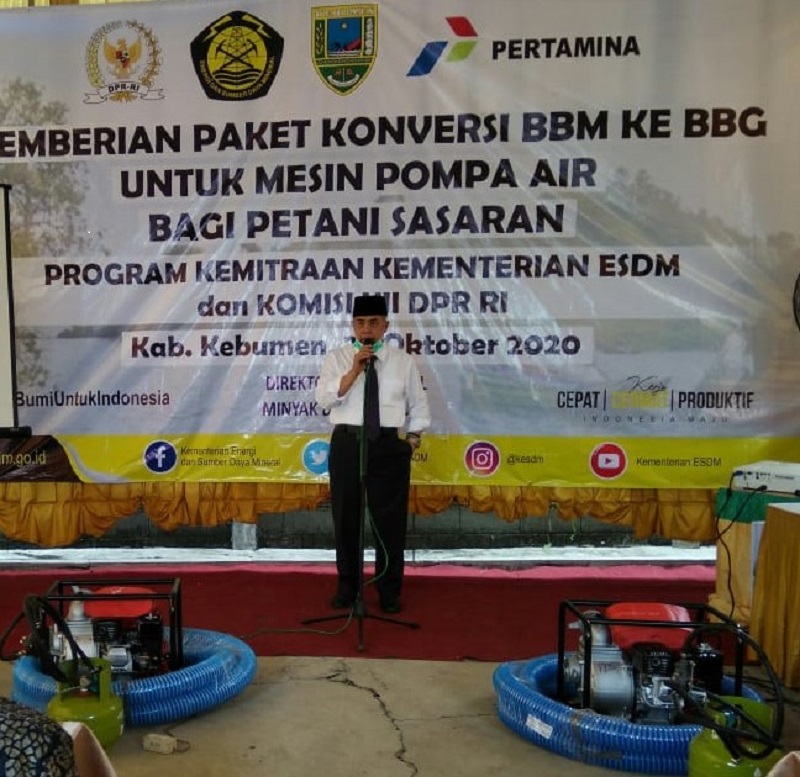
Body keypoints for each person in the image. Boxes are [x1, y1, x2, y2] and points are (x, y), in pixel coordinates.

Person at [315, 294, 430, 614]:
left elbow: (419, 405)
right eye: (361, 323)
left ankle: (389, 591)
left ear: (385, 326)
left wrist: (411, 441)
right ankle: (348, 587)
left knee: (389, 522)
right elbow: (324, 399)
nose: (367, 328)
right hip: (348, 443)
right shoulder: (338, 358)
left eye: (373, 322)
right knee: (346, 518)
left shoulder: (402, 361)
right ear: (353, 326)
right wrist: (354, 370)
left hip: (388, 446)